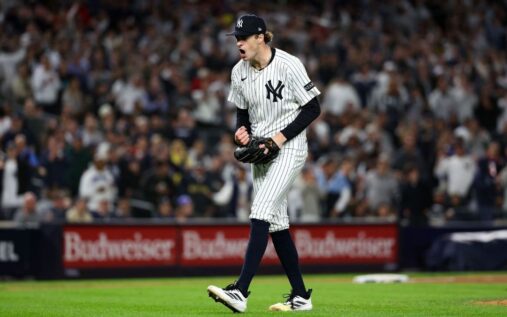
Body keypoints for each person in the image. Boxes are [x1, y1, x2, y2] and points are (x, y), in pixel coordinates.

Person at [207, 14, 320, 313]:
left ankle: (240, 292)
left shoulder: (289, 64)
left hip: (290, 147)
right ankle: (300, 296)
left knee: (260, 211)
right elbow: (242, 115)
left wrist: (280, 139)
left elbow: (312, 108)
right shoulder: (238, 72)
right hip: (262, 151)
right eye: (236, 38)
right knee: (276, 223)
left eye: (243, 37)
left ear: (261, 37)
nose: (238, 42)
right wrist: (241, 133)